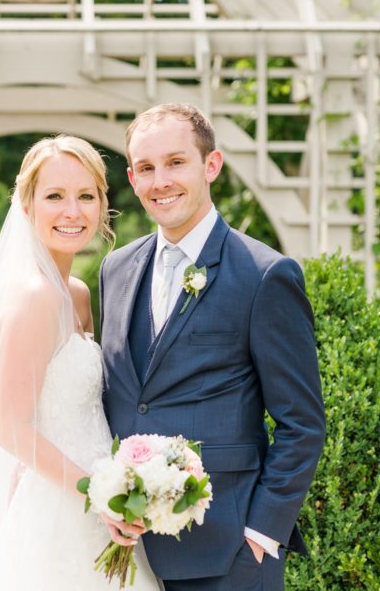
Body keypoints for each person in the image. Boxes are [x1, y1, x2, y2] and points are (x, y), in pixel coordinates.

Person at [99, 104, 326, 591]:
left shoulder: (264, 275)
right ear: (132, 179)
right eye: (146, 168)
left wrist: (260, 534)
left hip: (228, 554)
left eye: (176, 162)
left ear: (212, 165)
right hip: (126, 548)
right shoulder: (115, 270)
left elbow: (302, 423)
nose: (160, 181)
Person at [0, 135, 161, 591]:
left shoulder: (76, 294)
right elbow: (11, 428)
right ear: (27, 206)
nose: (73, 211)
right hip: (63, 508)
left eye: (86, 196)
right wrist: (98, 493)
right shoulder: (34, 297)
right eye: (55, 196)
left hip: (98, 503)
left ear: (103, 204)